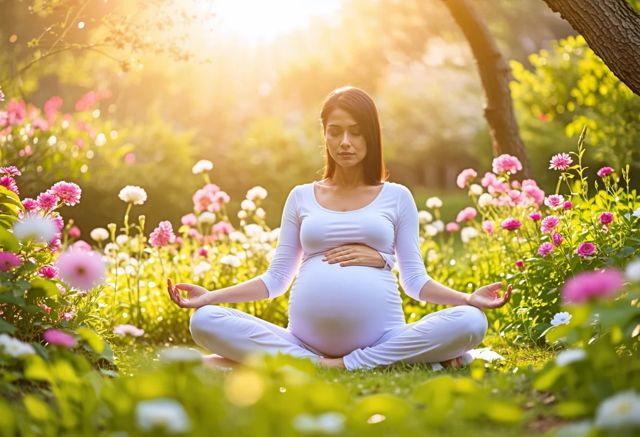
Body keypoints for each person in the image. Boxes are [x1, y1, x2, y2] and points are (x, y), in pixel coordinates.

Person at [167, 86, 511, 371]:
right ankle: (344, 362)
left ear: (371, 136)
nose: (345, 141)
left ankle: (330, 364)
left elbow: (415, 282)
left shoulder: (396, 197)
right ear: (325, 135)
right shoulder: (301, 196)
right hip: (301, 340)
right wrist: (210, 297)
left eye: (356, 132)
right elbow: (275, 280)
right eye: (335, 131)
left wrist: (467, 298)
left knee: (471, 321)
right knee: (204, 320)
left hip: (384, 338)